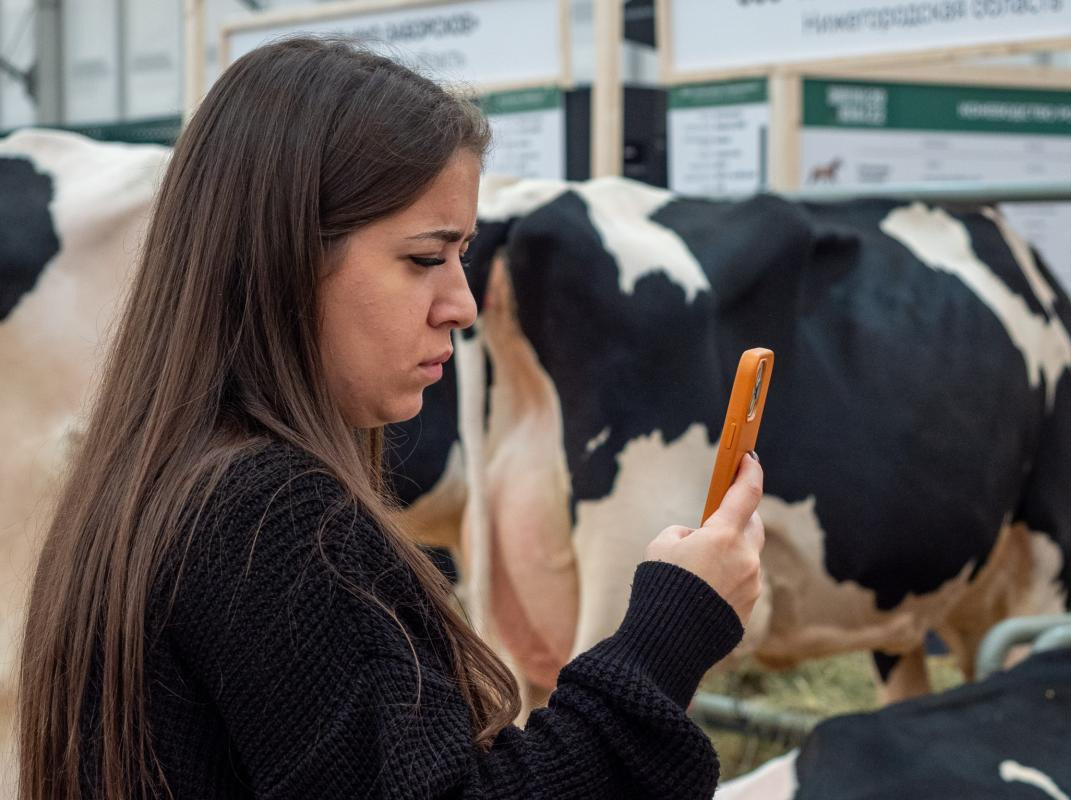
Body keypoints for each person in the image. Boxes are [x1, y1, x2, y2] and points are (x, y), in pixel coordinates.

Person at [18, 37, 765, 800]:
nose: (464, 305)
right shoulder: (268, 518)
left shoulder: (161, 486)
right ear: (285, 256)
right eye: (423, 259)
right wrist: (669, 632)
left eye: (464, 254)